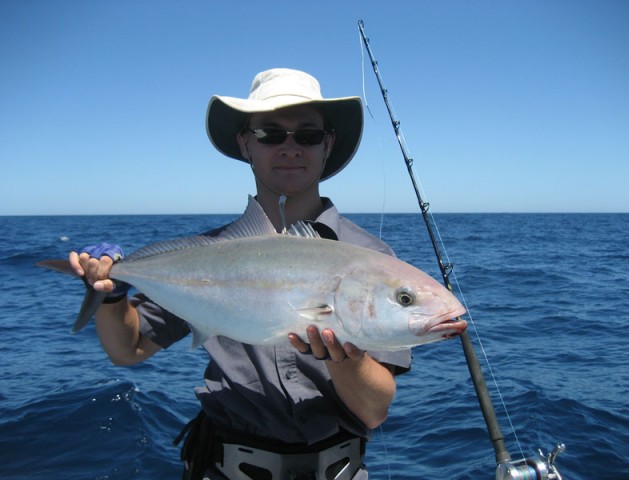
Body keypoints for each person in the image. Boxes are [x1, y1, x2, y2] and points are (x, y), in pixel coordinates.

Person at [70, 68, 412, 480]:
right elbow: (128, 350)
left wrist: (343, 358)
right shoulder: (208, 257)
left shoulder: (372, 259)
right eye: (270, 133)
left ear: (327, 144)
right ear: (245, 143)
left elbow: (374, 411)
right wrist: (111, 293)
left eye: (306, 135)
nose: (290, 147)